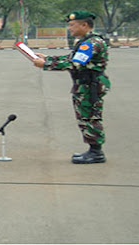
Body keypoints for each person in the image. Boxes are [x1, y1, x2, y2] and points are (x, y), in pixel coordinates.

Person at [32, 10, 111, 164]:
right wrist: (48, 58)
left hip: (90, 85)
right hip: (85, 84)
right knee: (85, 117)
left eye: (72, 25)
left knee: (90, 117)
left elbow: (75, 63)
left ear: (85, 25)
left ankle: (96, 153)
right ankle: (93, 149)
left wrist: (46, 64)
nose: (70, 28)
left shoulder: (91, 43)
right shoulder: (86, 41)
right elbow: (71, 58)